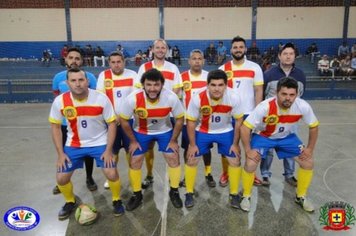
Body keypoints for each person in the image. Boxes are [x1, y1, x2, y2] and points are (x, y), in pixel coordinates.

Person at [49, 68, 125, 220]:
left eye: (81, 80)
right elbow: (56, 127)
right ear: (67, 83)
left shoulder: (101, 98)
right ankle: (70, 201)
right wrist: (60, 154)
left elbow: (111, 124)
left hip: (100, 142)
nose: (78, 84)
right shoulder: (60, 101)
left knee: (111, 173)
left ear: (87, 81)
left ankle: (117, 199)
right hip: (74, 144)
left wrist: (109, 150)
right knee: (61, 178)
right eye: (73, 80)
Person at [240, 77, 319, 213]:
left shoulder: (302, 106)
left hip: (286, 138)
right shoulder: (264, 106)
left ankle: (300, 196)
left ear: (296, 94)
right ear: (277, 93)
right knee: (251, 163)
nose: (287, 98)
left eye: (291, 95)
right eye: (284, 94)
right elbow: (245, 128)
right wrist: (248, 150)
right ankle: (246, 195)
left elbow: (314, 126)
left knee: (308, 162)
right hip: (263, 136)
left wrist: (310, 149)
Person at [119, 68, 185, 211]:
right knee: (135, 160)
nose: (152, 88)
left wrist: (173, 140)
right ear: (143, 85)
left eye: (156, 85)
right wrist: (133, 141)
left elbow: (180, 119)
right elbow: (123, 120)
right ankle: (137, 194)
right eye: (149, 85)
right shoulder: (133, 98)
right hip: (141, 132)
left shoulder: (171, 97)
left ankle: (174, 191)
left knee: (173, 157)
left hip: (164, 131)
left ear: (162, 85)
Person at [185, 69, 243, 208]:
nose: (217, 89)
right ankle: (188, 192)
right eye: (213, 85)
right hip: (204, 131)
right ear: (207, 85)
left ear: (226, 85)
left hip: (225, 130)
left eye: (220, 85)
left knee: (235, 159)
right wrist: (192, 145)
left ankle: (234, 193)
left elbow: (239, 121)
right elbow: (191, 122)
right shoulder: (198, 97)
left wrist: (235, 143)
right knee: (192, 159)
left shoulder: (234, 97)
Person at [135, 39, 183, 189]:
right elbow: (138, 89)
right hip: (148, 114)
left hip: (166, 114)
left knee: (172, 149)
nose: (161, 50)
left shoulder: (173, 67)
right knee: (148, 147)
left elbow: (177, 89)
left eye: (163, 48)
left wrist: (167, 105)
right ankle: (149, 175)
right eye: (158, 47)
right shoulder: (144, 67)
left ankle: (174, 181)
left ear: (166, 50)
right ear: (152, 49)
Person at [51, 47, 98, 195]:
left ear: (82, 61)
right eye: (71, 58)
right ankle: (63, 181)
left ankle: (89, 177)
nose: (74, 61)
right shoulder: (58, 78)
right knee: (64, 152)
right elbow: (56, 98)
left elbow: (95, 98)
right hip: (66, 124)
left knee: (88, 153)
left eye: (77, 58)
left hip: (86, 123)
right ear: (66, 60)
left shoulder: (90, 77)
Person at [219, 36, 264, 187]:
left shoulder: (254, 67)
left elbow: (258, 90)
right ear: (230, 50)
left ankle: (251, 174)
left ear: (245, 49)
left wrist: (257, 113)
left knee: (249, 146)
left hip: (249, 114)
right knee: (228, 146)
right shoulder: (223, 69)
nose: (238, 49)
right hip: (229, 115)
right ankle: (226, 173)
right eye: (235, 47)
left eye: (241, 47)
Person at [262, 42, 306, 186]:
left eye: (291, 54)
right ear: (279, 56)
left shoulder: (300, 74)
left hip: (290, 120)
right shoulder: (269, 74)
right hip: (271, 119)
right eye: (285, 54)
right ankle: (265, 175)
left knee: (290, 147)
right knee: (267, 149)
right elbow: (263, 95)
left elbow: (301, 95)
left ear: (295, 56)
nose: (288, 56)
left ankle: (289, 174)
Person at [97, 51, 138, 189]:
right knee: (112, 152)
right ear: (109, 63)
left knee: (130, 151)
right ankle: (111, 178)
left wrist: (123, 116)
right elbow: (101, 98)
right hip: (111, 123)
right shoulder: (104, 76)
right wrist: (113, 118)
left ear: (124, 62)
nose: (116, 65)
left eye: (119, 61)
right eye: (113, 62)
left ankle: (133, 178)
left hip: (129, 121)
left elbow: (135, 98)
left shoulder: (133, 75)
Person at [180, 49, 216, 188]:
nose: (196, 61)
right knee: (187, 148)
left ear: (203, 61)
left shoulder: (209, 77)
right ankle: (187, 174)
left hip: (205, 122)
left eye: (199, 58)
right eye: (194, 58)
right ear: (189, 61)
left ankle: (208, 173)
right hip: (187, 121)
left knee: (206, 149)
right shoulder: (182, 77)